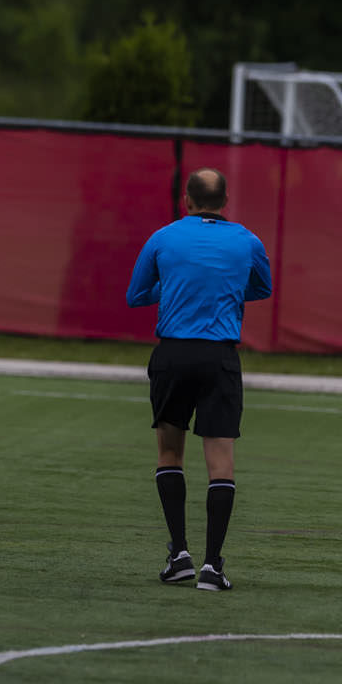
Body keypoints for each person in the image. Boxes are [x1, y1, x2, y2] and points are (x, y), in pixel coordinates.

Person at [125, 168, 273, 593]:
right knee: (220, 462)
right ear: (225, 202)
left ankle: (179, 557)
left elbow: (136, 294)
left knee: (170, 453)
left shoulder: (164, 236)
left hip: (173, 354)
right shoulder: (247, 240)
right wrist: (217, 287)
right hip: (219, 357)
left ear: (186, 201)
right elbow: (261, 288)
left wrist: (177, 287)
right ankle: (212, 567)